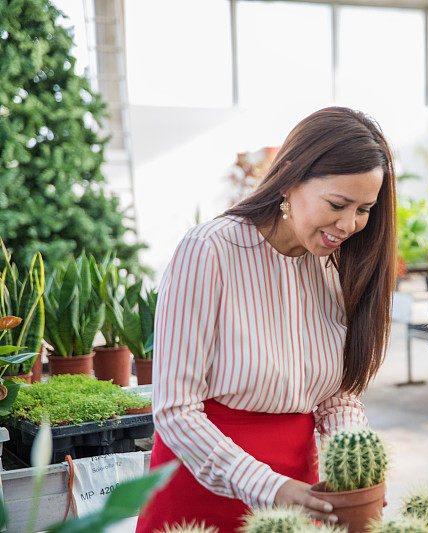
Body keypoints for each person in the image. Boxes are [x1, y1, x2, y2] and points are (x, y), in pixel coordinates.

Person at [136, 107, 397, 533]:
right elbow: (175, 410)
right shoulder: (210, 251)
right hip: (203, 489)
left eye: (364, 209)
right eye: (337, 204)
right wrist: (271, 487)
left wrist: (356, 463)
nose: (349, 224)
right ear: (290, 179)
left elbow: (336, 394)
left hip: (299, 496)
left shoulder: (332, 267)